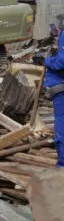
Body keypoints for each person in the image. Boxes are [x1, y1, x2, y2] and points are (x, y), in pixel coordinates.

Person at [43, 25, 64, 167]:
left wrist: (45, 60)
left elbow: (60, 63)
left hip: (61, 87)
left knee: (62, 127)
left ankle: (62, 165)